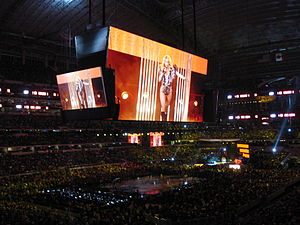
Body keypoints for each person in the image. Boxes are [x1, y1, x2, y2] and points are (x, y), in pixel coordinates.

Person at [158, 55, 185, 121]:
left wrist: (184, 78)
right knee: (163, 106)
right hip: (163, 88)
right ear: (164, 62)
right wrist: (162, 73)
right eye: (165, 62)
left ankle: (163, 113)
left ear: (169, 62)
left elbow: (177, 74)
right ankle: (163, 121)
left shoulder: (172, 69)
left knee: (167, 104)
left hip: (169, 89)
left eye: (167, 62)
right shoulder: (161, 69)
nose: (166, 63)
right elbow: (159, 79)